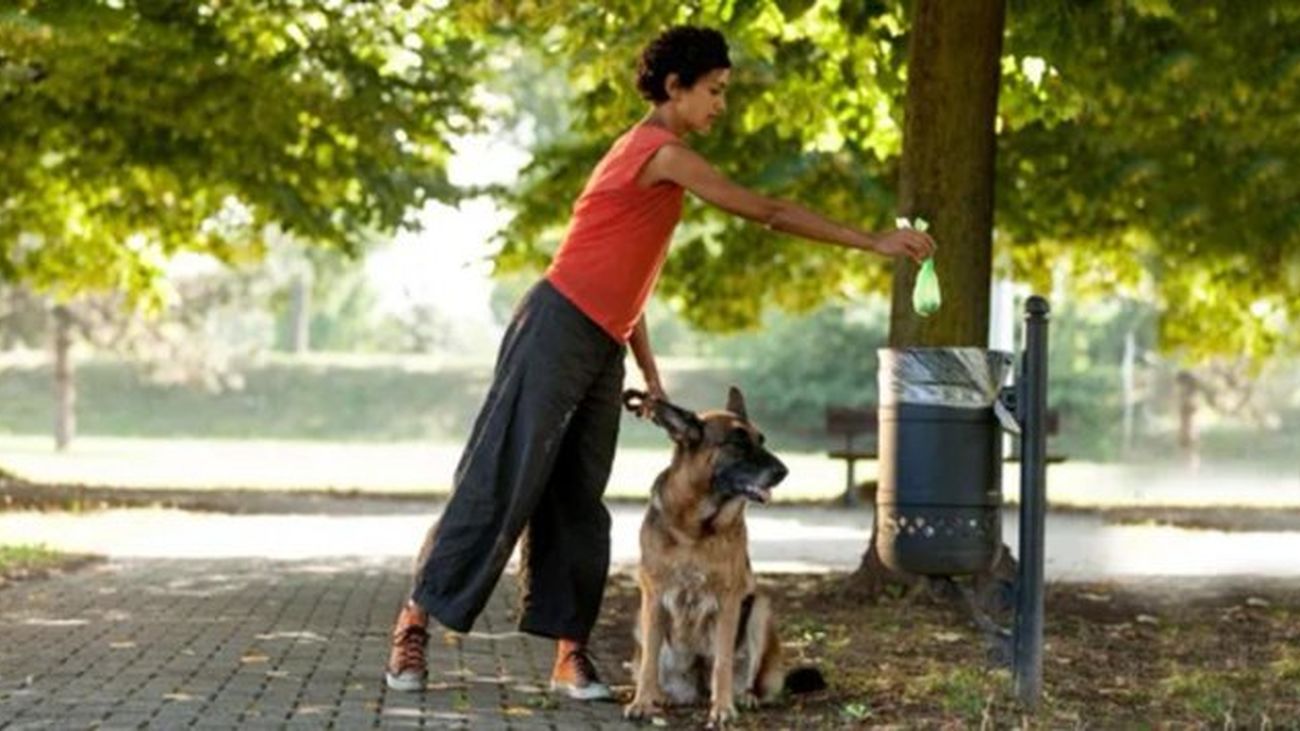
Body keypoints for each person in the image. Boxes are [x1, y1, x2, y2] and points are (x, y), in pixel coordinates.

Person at [384, 25, 935, 698]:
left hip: (601, 342)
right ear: (674, 88)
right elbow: (767, 210)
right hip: (554, 326)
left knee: (580, 498)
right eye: (713, 90)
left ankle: (569, 653)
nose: (720, 105)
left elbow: (629, 281)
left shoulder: (661, 166)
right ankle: (413, 624)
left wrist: (646, 370)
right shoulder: (657, 152)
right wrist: (874, 242)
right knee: (503, 478)